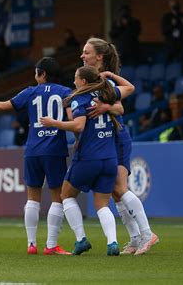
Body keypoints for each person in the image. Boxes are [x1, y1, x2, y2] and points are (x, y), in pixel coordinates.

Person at [0, 57, 72, 255]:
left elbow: (3, 106)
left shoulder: (30, 92)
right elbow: (75, 118)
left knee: (32, 198)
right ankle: (51, 245)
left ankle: (31, 244)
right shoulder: (66, 92)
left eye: (36, 72)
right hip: (54, 150)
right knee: (58, 198)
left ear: (43, 74)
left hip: (32, 150)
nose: (34, 75)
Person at [41, 65, 135, 256]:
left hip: (88, 157)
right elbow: (130, 88)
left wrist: (53, 123)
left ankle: (81, 239)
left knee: (66, 195)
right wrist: (110, 76)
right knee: (102, 203)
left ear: (83, 81)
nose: (74, 81)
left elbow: (79, 125)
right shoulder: (107, 92)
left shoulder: (80, 98)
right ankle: (112, 243)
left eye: (76, 78)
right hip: (110, 159)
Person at [82, 37, 159, 255]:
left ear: (99, 56)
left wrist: (106, 106)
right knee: (116, 192)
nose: (82, 56)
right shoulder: (91, 80)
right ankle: (135, 238)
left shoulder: (107, 81)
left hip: (116, 137)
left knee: (120, 188)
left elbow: (120, 109)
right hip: (103, 139)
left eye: (86, 52)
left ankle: (147, 233)